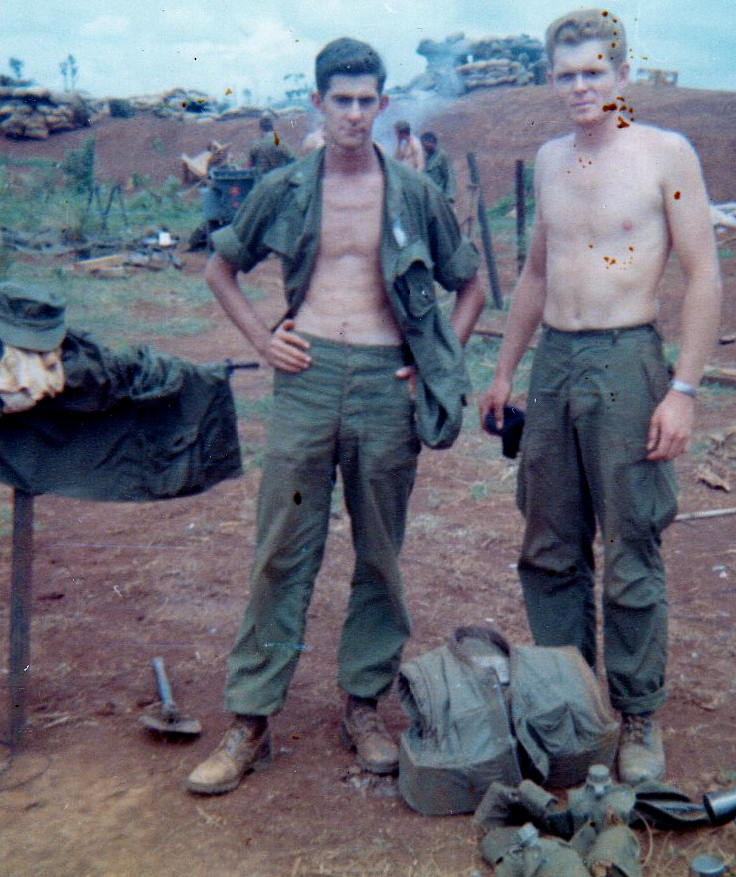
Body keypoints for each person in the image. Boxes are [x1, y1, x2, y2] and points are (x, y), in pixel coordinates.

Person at [187, 37, 485, 795]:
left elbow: (471, 284)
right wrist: (264, 341)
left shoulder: (413, 192)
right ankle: (251, 719)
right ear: (317, 103)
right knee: (282, 546)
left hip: (386, 387)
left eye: (366, 101)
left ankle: (363, 706)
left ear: (383, 105)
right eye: (340, 101)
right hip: (307, 381)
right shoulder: (285, 187)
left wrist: (436, 361)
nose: (354, 114)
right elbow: (220, 268)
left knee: (380, 551)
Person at [478, 8, 722, 785]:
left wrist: (683, 390)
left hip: (627, 360)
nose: (580, 87)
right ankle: (571, 701)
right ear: (552, 80)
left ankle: (639, 712)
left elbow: (704, 274)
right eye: (566, 75)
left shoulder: (665, 154)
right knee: (548, 543)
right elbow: (535, 274)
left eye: (594, 73)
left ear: (622, 74)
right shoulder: (550, 159)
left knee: (630, 542)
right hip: (555, 361)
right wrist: (505, 370)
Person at [421, 131, 457, 204]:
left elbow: (450, 176)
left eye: (425, 145)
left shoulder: (441, 156)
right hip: (429, 197)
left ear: (432, 142)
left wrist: (450, 197)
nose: (424, 148)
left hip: (440, 197)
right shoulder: (427, 159)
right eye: (423, 145)